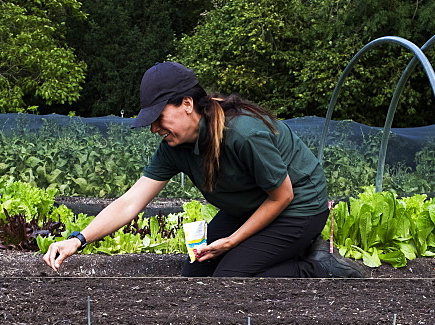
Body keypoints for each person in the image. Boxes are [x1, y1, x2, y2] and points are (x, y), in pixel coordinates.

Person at [42, 62, 369, 278]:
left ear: (186, 104)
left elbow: (282, 195)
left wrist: (232, 241)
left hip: (298, 207)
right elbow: (131, 202)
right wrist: (77, 240)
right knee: (196, 275)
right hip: (250, 206)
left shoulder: (242, 133)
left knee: (230, 278)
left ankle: (317, 266)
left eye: (159, 118)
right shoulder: (175, 147)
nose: (154, 128)